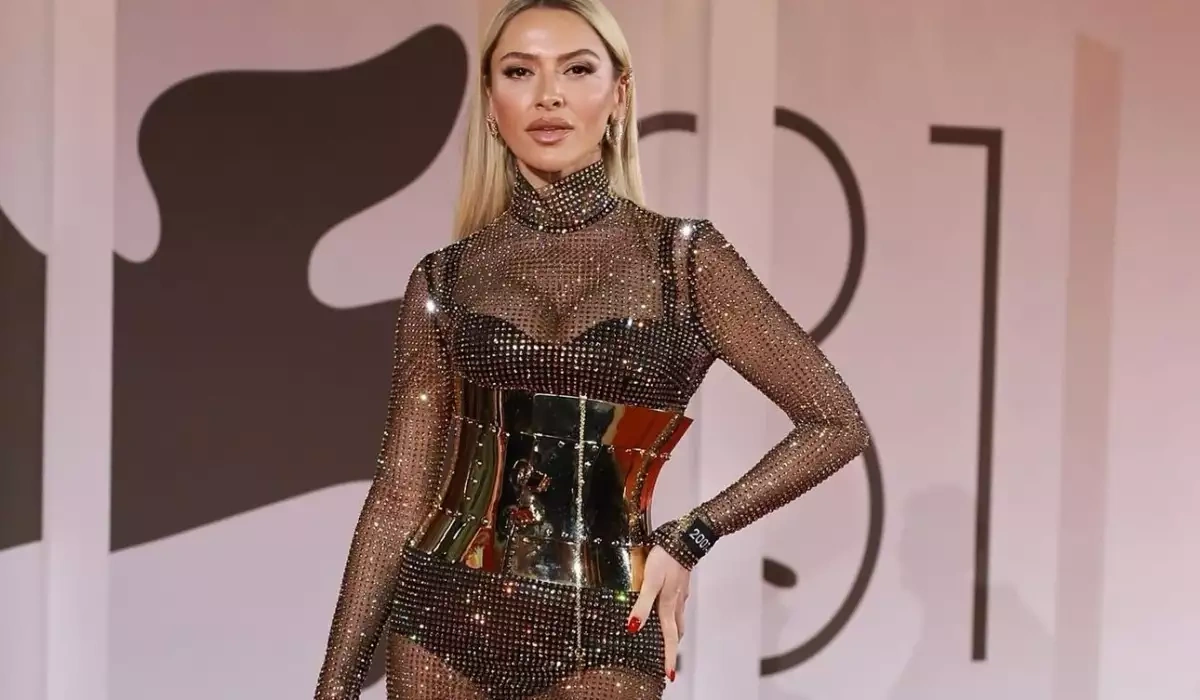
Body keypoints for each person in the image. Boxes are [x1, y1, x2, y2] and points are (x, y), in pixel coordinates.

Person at [313, 1, 869, 698]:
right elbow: (400, 494)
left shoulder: (682, 260)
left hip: (608, 627)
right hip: (440, 621)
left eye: (577, 70)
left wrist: (693, 536)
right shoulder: (445, 278)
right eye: (520, 72)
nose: (548, 95)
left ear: (619, 95)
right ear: (491, 103)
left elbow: (835, 423)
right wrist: (334, 687)